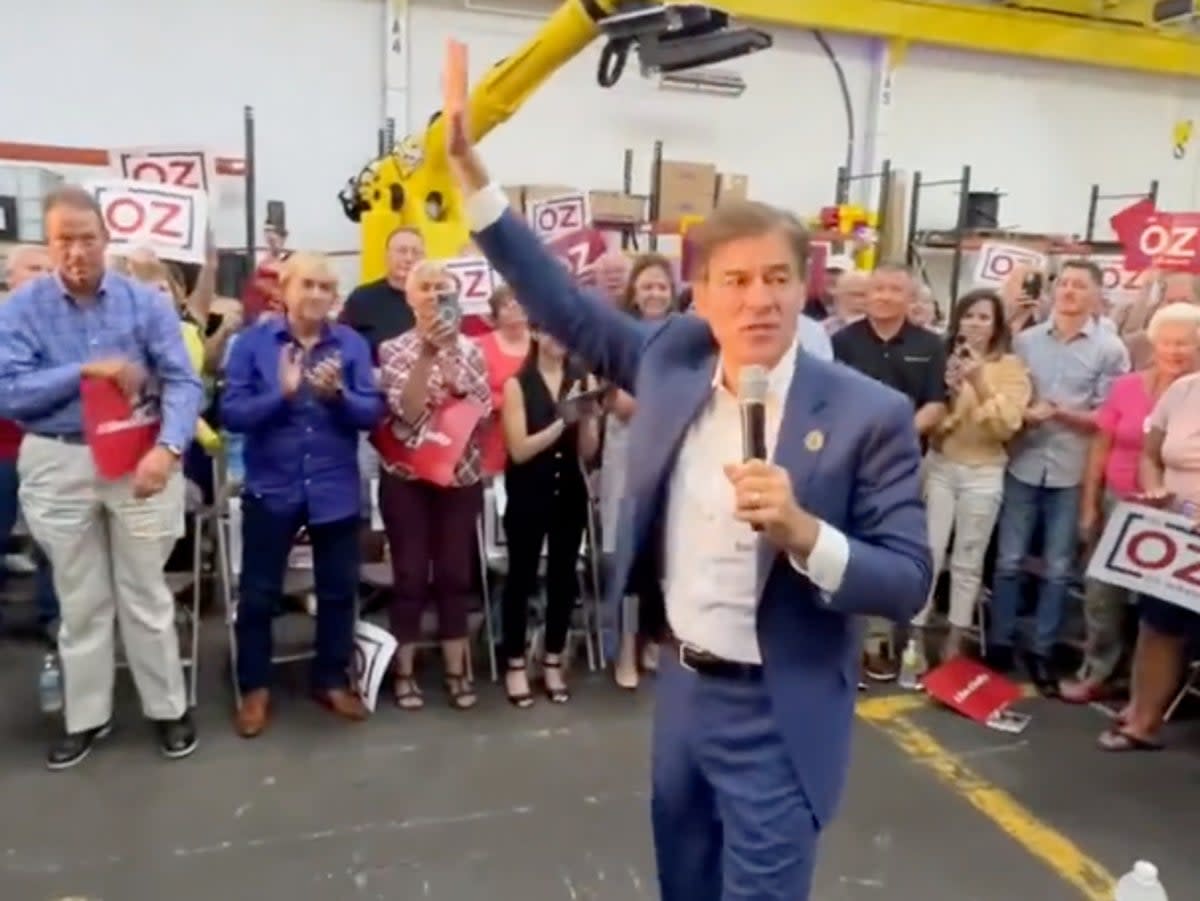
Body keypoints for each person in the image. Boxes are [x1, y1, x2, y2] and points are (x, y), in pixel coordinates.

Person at [443, 99, 930, 900]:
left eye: (777, 278)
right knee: (686, 883)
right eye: (734, 280)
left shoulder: (864, 415)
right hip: (685, 691)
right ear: (700, 295)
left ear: (802, 290)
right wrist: (471, 173)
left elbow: (908, 578)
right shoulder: (672, 361)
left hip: (783, 704)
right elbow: (559, 302)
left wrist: (807, 533)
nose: (758, 300)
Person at [0, 185, 204, 769]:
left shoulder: (146, 304)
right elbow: (8, 388)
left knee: (145, 592)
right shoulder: (20, 309)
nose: (76, 252)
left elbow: (184, 382)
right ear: (48, 241)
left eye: (87, 239)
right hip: (58, 457)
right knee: (80, 597)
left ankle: (168, 709)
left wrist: (168, 448)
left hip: (141, 456)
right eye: (64, 240)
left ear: (105, 241)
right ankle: (85, 716)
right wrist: (83, 371)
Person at [221, 252, 384, 736]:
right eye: (307, 285)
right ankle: (254, 688)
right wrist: (283, 394)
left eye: (325, 287)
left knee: (338, 591)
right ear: (285, 290)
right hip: (272, 488)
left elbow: (372, 414)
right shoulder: (251, 344)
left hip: (334, 488)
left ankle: (330, 679)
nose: (316, 295)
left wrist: (339, 397)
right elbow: (231, 415)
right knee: (258, 596)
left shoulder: (351, 345)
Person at [987, 260, 1129, 692]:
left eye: (1079, 285)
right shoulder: (1026, 341)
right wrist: (1022, 414)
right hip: (1024, 461)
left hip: (1071, 470)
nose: (1068, 292)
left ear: (1096, 295)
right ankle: (999, 643)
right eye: (1063, 283)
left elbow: (1110, 417)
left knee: (1057, 568)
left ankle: (1042, 650)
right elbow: (1008, 390)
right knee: (1009, 561)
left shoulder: (1110, 350)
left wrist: (1062, 413)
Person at [1061, 303, 1200, 703]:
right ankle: (1098, 672)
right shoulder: (1126, 386)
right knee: (1102, 593)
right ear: (1153, 343)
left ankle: (1147, 690)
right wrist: (1089, 507)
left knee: (1159, 606)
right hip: (1118, 501)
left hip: (1176, 514)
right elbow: (1099, 448)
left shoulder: (1193, 393)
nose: (1175, 351)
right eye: (1168, 342)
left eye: (1185, 343)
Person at [377, 260, 492, 711]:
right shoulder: (392, 350)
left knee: (454, 574)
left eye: (441, 288)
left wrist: (456, 388)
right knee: (409, 575)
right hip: (408, 477)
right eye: (424, 288)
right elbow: (405, 414)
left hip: (460, 476)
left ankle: (456, 669)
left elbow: (482, 411)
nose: (432, 295)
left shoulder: (474, 350)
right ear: (410, 297)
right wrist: (427, 357)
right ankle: (404, 672)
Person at [915, 289, 1030, 661]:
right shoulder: (943, 358)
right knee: (928, 553)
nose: (975, 324)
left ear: (997, 326)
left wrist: (979, 382)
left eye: (984, 317)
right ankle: (915, 637)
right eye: (969, 316)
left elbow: (1006, 426)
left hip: (984, 471)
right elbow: (933, 424)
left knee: (968, 559)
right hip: (941, 465)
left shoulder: (1011, 368)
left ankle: (955, 641)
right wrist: (947, 397)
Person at [499, 327, 599, 706]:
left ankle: (553, 659)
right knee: (521, 579)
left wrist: (588, 420)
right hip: (529, 493)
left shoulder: (581, 378)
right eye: (551, 330)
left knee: (562, 577)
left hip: (570, 492)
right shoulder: (517, 384)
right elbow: (520, 449)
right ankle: (514, 664)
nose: (560, 339)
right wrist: (562, 421)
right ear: (537, 334)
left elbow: (588, 452)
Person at [0, 244, 59, 640]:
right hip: (3, 450)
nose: (43, 275)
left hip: (48, 445)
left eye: (48, 269)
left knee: (55, 541)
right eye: (34, 268)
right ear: (11, 277)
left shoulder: (63, 324)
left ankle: (52, 614)